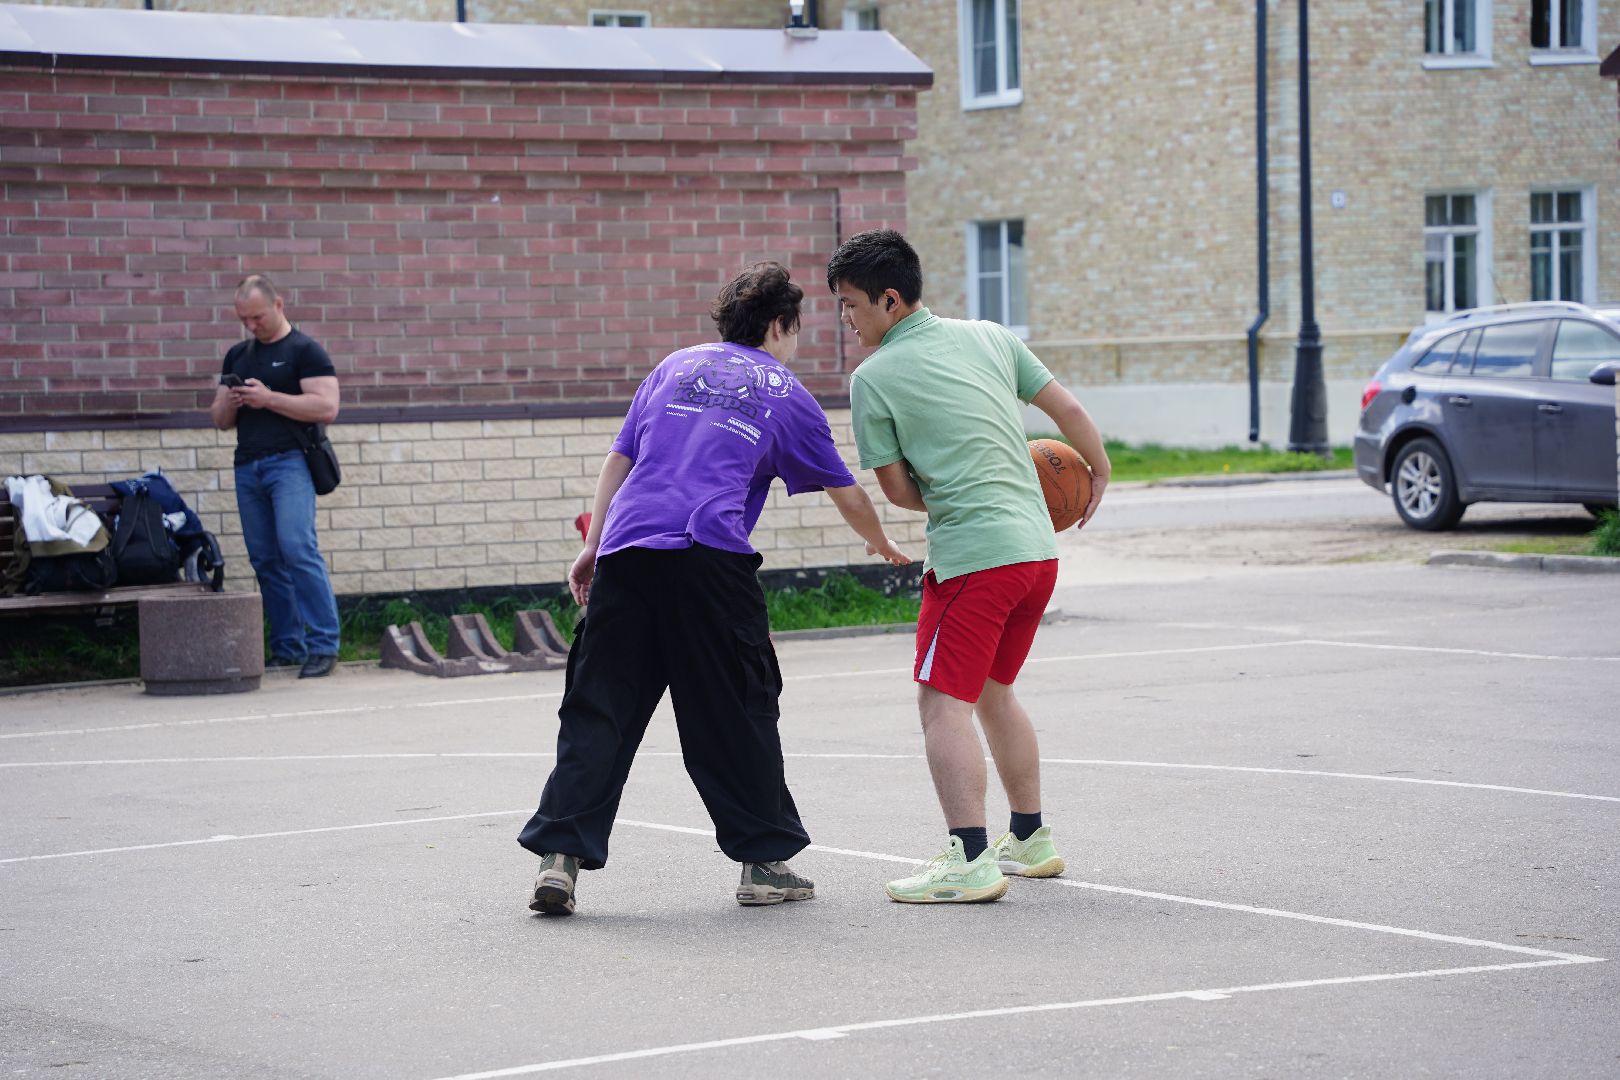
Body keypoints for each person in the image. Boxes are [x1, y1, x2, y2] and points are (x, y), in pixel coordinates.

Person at [518, 262, 911, 916]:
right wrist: (883, 544)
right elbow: (847, 491)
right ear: (780, 324)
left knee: (600, 708)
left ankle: (559, 856)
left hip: (628, 551)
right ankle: (763, 863)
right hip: (709, 561)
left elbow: (622, 455)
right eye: (797, 330)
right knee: (735, 709)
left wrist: (593, 545)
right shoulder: (785, 390)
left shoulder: (673, 367)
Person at [827, 229, 1111, 904]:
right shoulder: (989, 335)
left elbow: (897, 491)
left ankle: (970, 858)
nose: (846, 320)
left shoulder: (872, 378)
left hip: (976, 560)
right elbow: (1065, 409)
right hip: (1038, 553)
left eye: (851, 305)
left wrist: (956, 495)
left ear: (890, 301)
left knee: (940, 701)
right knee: (992, 692)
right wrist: (1098, 471)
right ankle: (1031, 839)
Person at [209, 274, 342, 679]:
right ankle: (288, 645)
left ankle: (324, 644)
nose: (251, 326)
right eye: (244, 319)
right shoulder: (237, 356)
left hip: (290, 463)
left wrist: (269, 399)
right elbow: (219, 420)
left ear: (279, 305)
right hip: (248, 465)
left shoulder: (305, 350)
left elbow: (326, 407)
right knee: (265, 558)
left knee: (297, 547)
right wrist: (233, 401)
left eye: (258, 317)